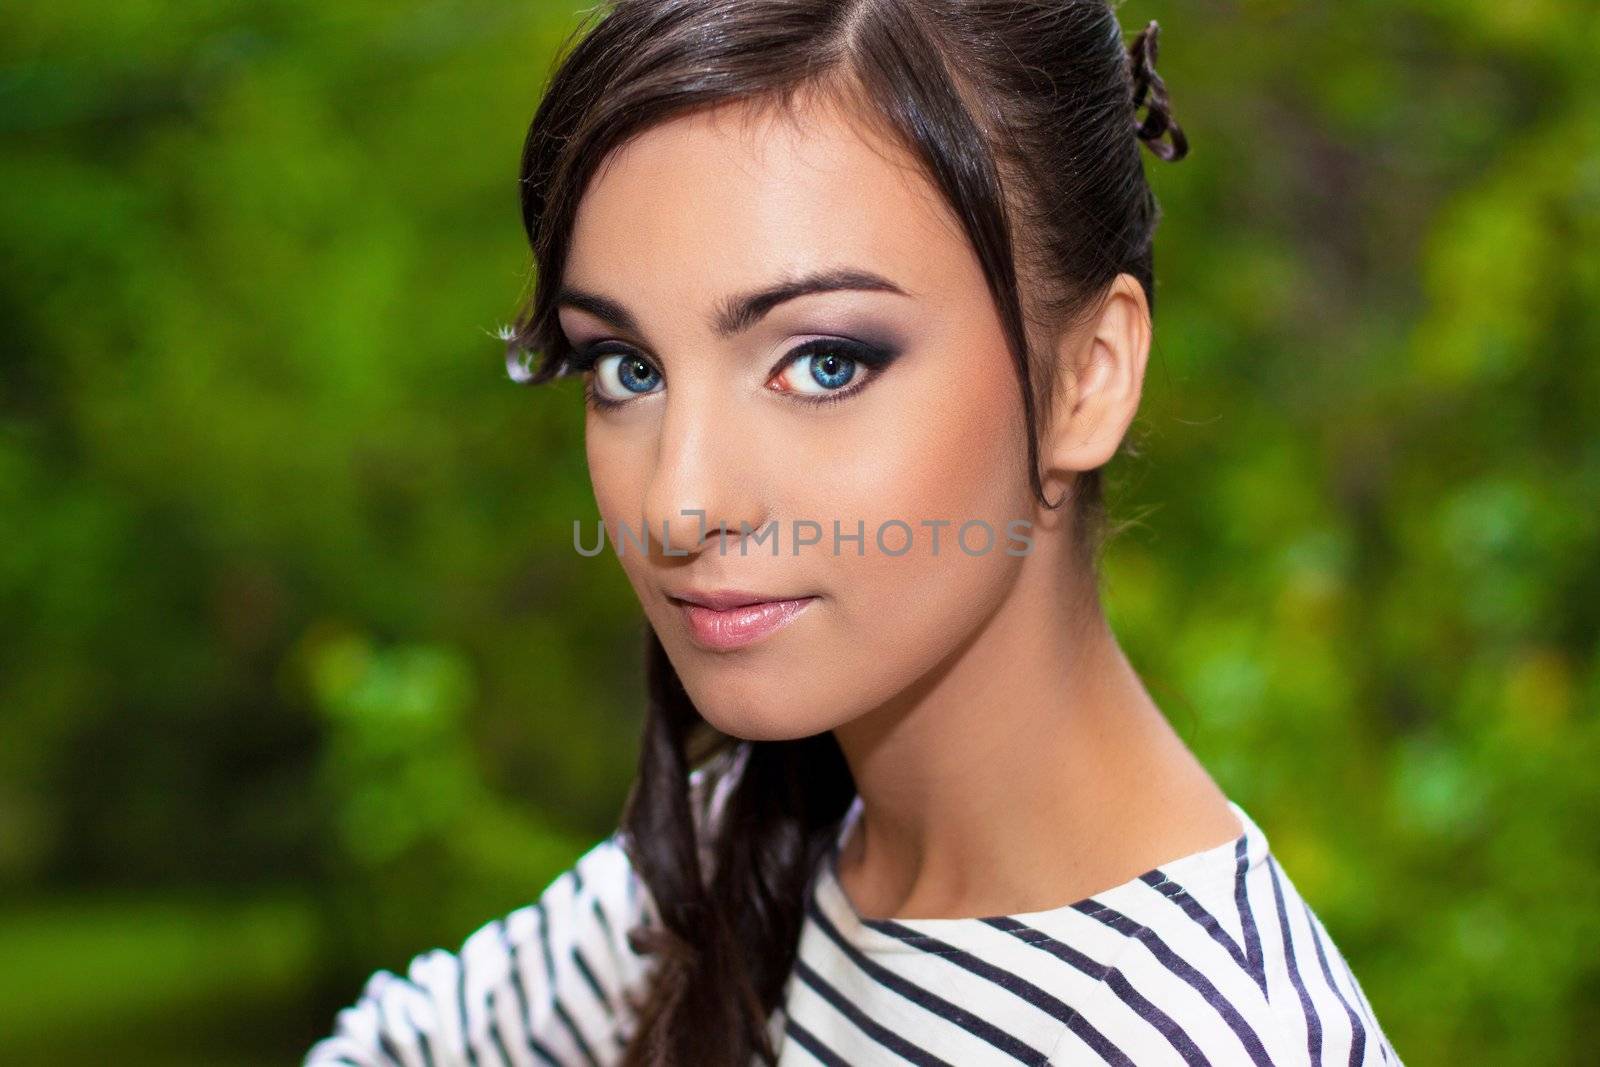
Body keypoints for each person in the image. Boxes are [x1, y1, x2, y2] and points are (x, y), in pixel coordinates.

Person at [306, 0, 1403, 1063]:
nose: (679, 504)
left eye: (824, 361)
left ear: (1087, 374)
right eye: (626, 367)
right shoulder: (752, 846)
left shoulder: (1212, 1035)